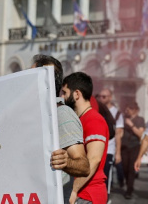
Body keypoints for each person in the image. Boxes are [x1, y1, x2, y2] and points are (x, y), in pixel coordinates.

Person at [31, 55, 90, 196]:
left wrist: (66, 161)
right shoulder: (33, 112)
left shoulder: (61, 113)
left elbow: (84, 166)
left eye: (30, 75)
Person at [62, 72, 109, 204]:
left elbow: (94, 159)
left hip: (87, 195)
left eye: (64, 92)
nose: (62, 97)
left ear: (76, 94)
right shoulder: (81, 119)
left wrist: (74, 190)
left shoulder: (94, 120)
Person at [97, 88, 124, 192]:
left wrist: (118, 153)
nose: (101, 98)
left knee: (106, 177)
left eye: (104, 96)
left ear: (110, 98)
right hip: (97, 149)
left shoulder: (116, 114)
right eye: (99, 96)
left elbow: (118, 134)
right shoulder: (96, 110)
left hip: (109, 150)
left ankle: (106, 198)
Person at [121, 101, 145, 199]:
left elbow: (140, 134)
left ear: (135, 110)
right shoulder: (123, 118)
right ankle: (128, 185)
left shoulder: (140, 119)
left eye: (129, 109)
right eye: (126, 109)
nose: (127, 111)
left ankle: (129, 190)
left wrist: (131, 125)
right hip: (124, 147)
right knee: (125, 169)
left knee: (131, 169)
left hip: (135, 147)